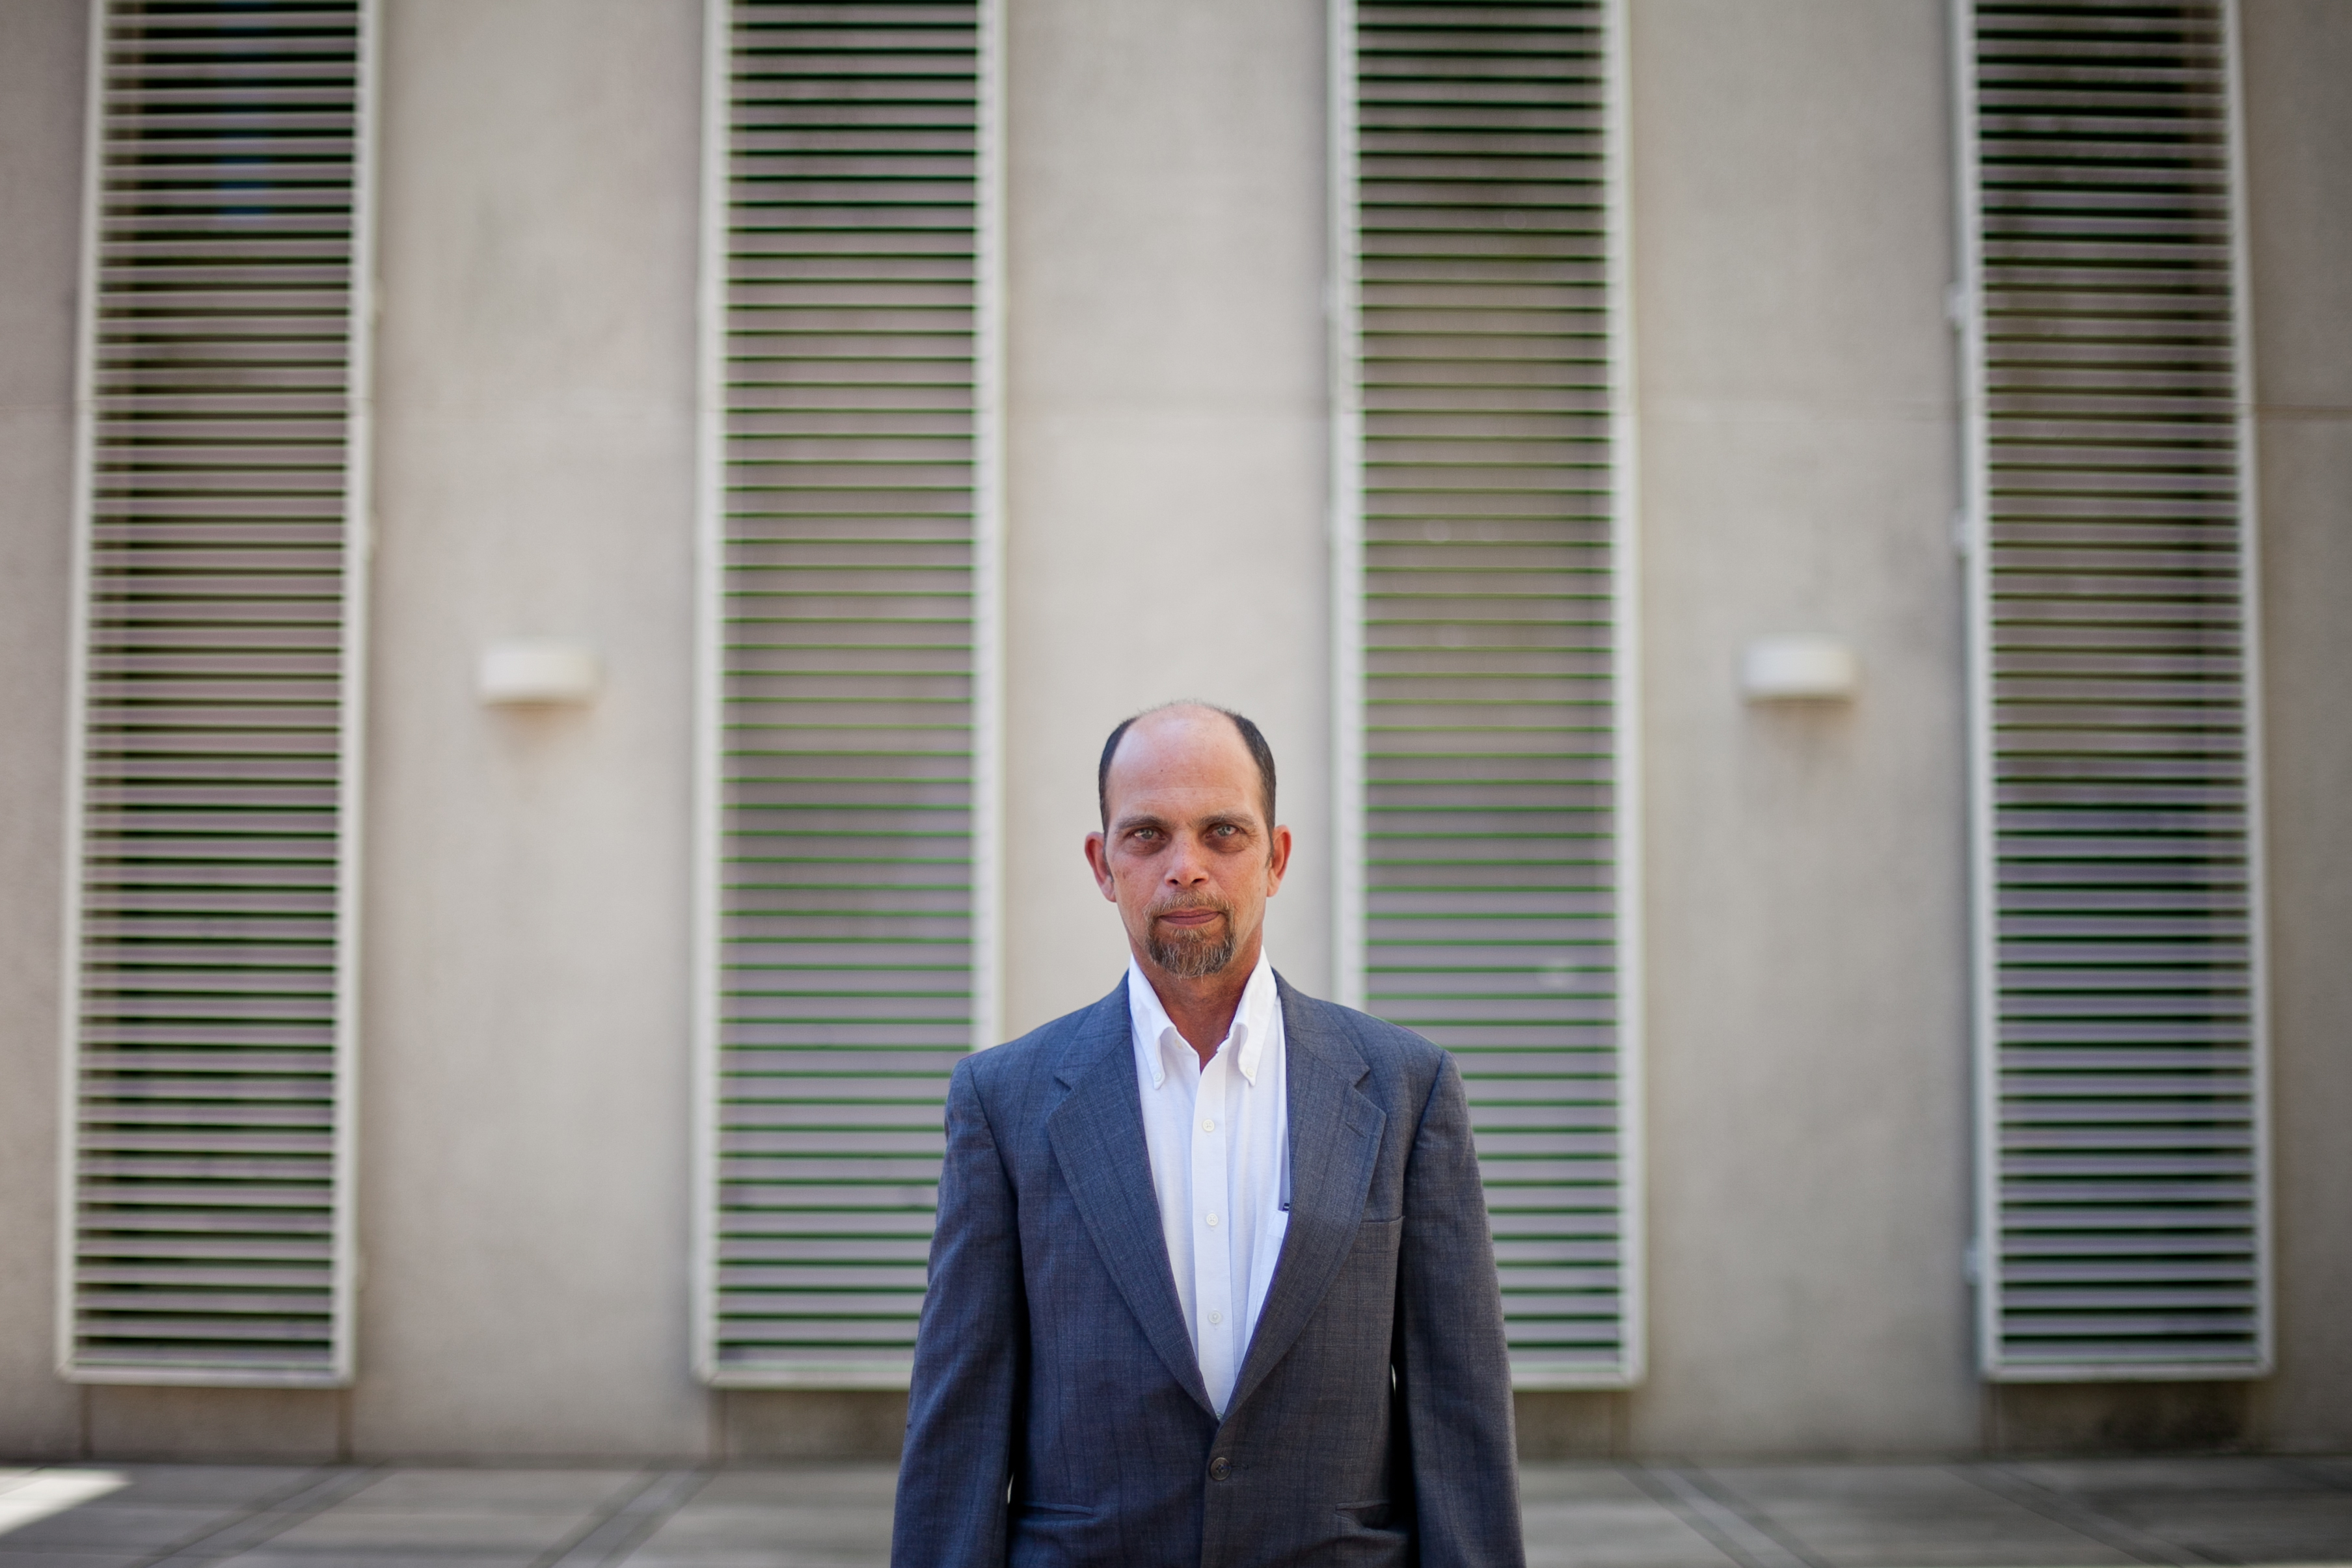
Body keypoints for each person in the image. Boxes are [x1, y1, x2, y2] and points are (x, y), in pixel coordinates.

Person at [890, 702, 1524, 1568]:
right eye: (1147, 834)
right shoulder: (1004, 1101)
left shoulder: (1408, 1090)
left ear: (1277, 856)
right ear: (1102, 863)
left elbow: (1461, 1416)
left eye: (1222, 831)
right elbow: (958, 1430)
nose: (1185, 867)